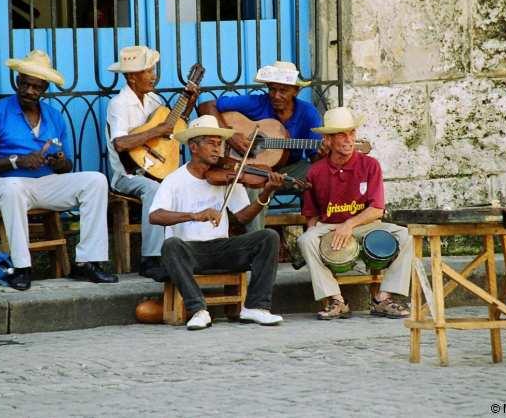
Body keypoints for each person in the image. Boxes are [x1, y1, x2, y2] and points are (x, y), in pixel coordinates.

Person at [0, 50, 118, 291]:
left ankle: (87, 262)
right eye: (25, 84)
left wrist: (59, 162)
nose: (30, 91)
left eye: (36, 87)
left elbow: (66, 165)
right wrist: (17, 161)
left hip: (43, 184)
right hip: (5, 185)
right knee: (13, 187)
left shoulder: (53, 116)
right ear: (17, 81)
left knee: (96, 180)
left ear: (44, 88)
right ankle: (21, 267)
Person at [149, 115, 286, 330]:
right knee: (170, 245)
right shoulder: (174, 180)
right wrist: (193, 215)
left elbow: (243, 217)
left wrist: (266, 192)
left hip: (222, 248)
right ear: (194, 147)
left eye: (220, 144)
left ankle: (256, 307)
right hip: (190, 251)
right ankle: (198, 310)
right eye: (211, 144)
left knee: (268, 237)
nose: (218, 150)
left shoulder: (228, 176)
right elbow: (155, 216)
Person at [297, 107, 412, 320]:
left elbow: (377, 209)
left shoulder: (370, 165)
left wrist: (349, 225)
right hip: (329, 226)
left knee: (406, 236)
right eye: (341, 134)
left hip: (366, 223)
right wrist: (315, 237)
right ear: (328, 140)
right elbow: (311, 215)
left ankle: (383, 298)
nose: (349, 139)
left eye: (351, 133)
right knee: (306, 240)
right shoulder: (315, 171)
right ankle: (336, 300)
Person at [105, 45, 197, 280]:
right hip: (128, 175)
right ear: (131, 77)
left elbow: (173, 128)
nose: (154, 76)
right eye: (148, 71)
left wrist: (188, 102)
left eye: (153, 70)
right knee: (154, 189)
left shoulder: (155, 100)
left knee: (188, 183)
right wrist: (157, 130)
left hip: (154, 168)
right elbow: (120, 144)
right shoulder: (119, 104)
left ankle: (188, 252)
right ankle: (150, 259)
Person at [197, 61, 325, 230]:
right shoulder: (256, 102)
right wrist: (230, 135)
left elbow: (315, 157)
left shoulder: (308, 113)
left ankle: (316, 233)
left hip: (289, 168)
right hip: (253, 169)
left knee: (319, 175)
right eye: (272, 89)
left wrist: (323, 154)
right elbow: (206, 106)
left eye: (283, 90)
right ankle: (257, 240)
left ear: (296, 90)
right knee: (255, 187)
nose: (276, 95)